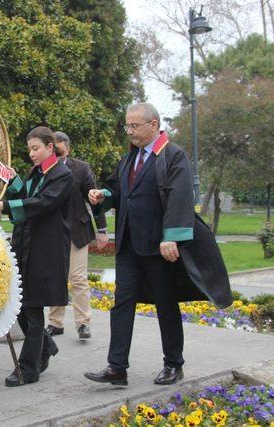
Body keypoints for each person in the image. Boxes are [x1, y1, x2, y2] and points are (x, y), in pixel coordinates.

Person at [84, 102, 230, 387]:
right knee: (122, 304)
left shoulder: (173, 156)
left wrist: (171, 237)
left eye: (135, 126)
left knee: (166, 305)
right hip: (127, 246)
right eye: (127, 126)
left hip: (159, 248)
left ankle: (174, 364)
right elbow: (117, 189)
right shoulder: (129, 158)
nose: (129, 131)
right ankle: (116, 367)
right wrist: (103, 195)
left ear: (153, 125)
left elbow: (180, 198)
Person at [0, 126, 73, 386]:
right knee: (20, 306)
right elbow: (27, 196)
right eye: (29, 150)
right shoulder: (37, 172)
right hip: (26, 246)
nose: (32, 154)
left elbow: (43, 203)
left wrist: (5, 205)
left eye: (36, 148)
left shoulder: (62, 175)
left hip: (45, 251)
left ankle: (28, 369)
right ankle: (45, 348)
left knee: (33, 308)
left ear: (50, 146)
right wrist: (14, 181)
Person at [45, 131, 108, 341]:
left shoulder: (81, 168)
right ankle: (55, 323)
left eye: (60, 151)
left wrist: (102, 230)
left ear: (68, 149)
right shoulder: (42, 169)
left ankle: (83, 324)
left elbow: (95, 199)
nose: (57, 154)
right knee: (56, 278)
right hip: (52, 234)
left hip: (77, 233)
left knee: (78, 278)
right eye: (54, 149)